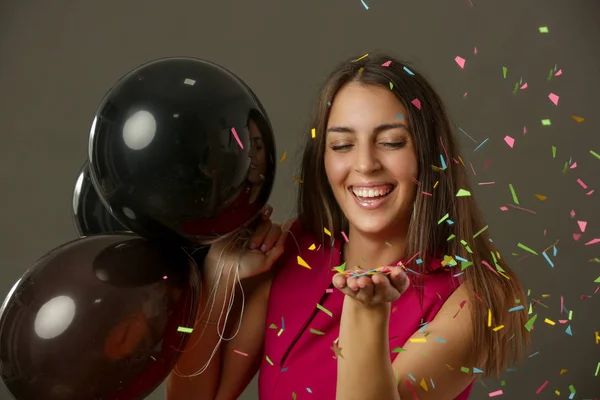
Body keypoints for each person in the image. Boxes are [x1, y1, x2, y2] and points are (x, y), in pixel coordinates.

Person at [166, 53, 530, 400]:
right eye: (342, 145)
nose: (365, 164)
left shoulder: (479, 298)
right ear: (322, 160)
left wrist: (367, 314)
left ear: (428, 156)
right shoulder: (294, 250)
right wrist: (217, 280)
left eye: (391, 142)